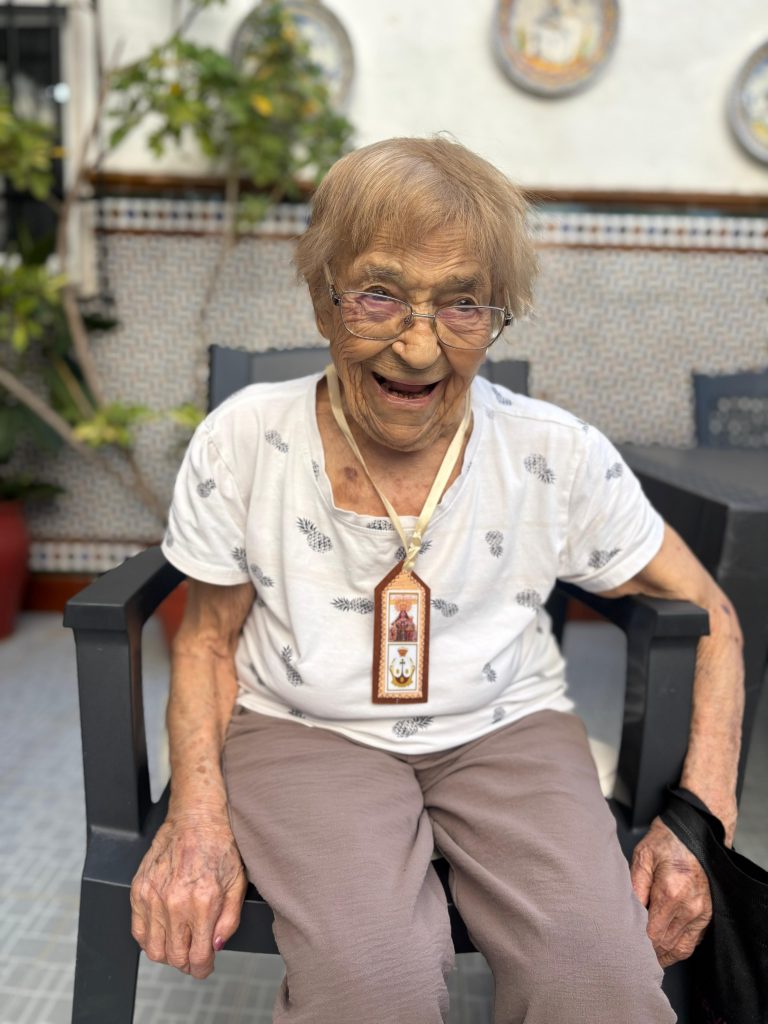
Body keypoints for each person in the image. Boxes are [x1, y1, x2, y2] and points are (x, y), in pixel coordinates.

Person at [129, 137, 744, 1024]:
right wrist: (195, 816)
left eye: (462, 305)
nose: (418, 347)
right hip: (305, 730)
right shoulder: (245, 438)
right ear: (323, 298)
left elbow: (711, 612)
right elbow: (205, 641)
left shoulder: (555, 452)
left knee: (599, 982)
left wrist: (699, 820)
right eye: (378, 294)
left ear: (496, 317)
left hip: (508, 728)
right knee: (372, 985)